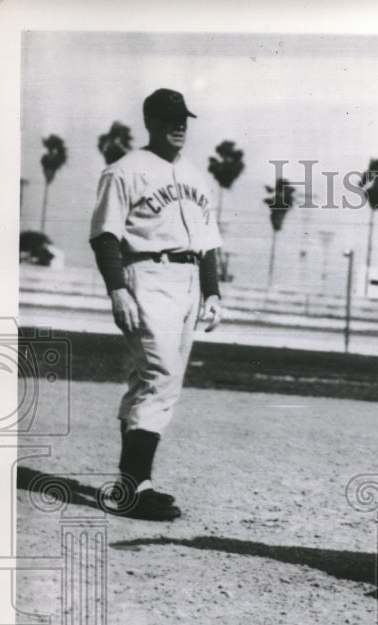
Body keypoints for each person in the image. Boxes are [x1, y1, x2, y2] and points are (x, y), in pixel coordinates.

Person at [90, 88, 225, 521]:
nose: (179, 125)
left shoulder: (195, 175)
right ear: (150, 122)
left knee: (148, 380)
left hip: (188, 281)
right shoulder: (124, 171)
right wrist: (118, 289)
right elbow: (105, 236)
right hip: (147, 274)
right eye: (169, 118)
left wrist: (212, 292)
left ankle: (132, 482)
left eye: (183, 118)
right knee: (160, 377)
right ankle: (135, 488)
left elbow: (208, 242)